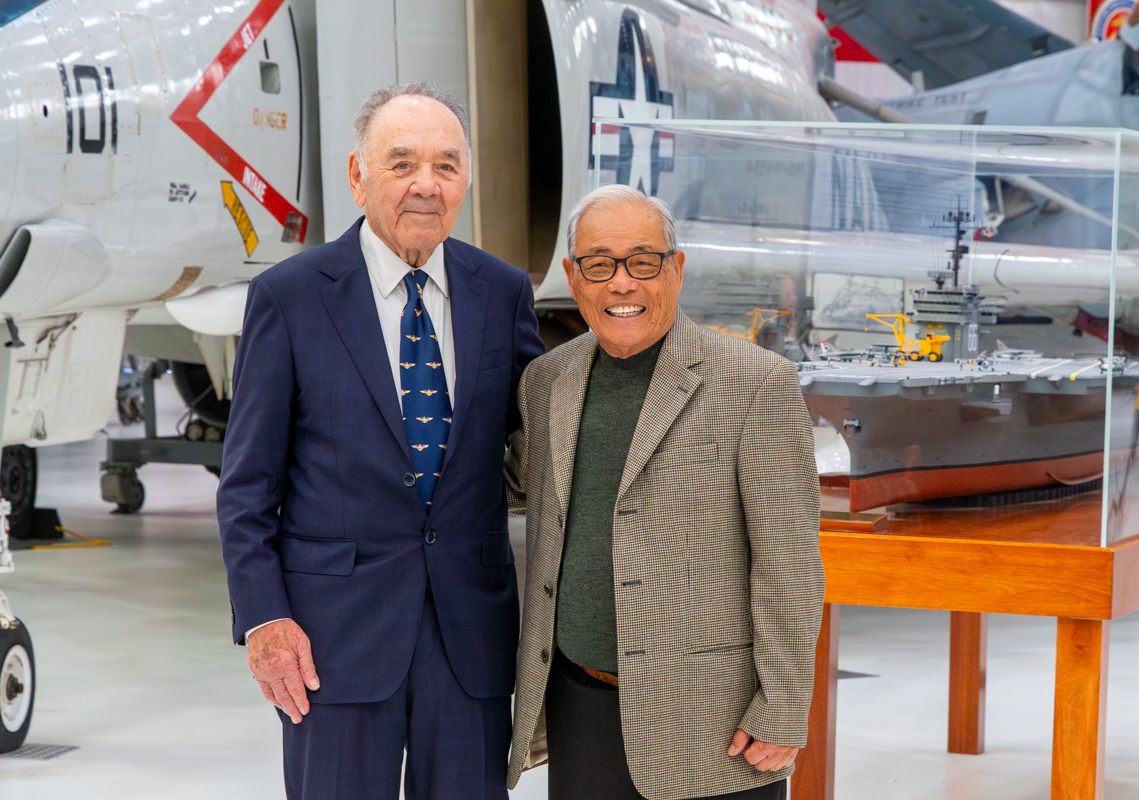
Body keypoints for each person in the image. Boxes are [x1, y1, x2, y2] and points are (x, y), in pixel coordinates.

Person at [217, 81, 543, 800]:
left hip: (471, 637)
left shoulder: (504, 292)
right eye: (401, 163)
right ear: (357, 176)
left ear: (465, 181)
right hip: (331, 640)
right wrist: (265, 618)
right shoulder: (290, 296)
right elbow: (245, 487)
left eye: (446, 165)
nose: (426, 184)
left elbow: (543, 438)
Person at [505, 184, 825, 800]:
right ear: (573, 278)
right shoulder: (546, 382)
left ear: (676, 269)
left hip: (712, 721)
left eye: (642, 262)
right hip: (580, 705)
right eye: (598, 264)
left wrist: (785, 706)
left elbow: (788, 563)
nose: (620, 284)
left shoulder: (756, 384)